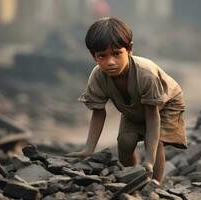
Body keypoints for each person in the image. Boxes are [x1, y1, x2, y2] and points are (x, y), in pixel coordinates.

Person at [66, 17, 187, 184]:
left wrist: (149, 161)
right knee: (125, 141)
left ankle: (155, 185)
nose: (110, 62)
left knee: (156, 142)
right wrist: (89, 149)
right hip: (134, 106)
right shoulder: (98, 76)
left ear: (129, 49)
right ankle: (132, 178)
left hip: (166, 103)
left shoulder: (146, 74)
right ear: (93, 56)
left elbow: (152, 118)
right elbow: (98, 113)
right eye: (102, 56)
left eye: (116, 53)